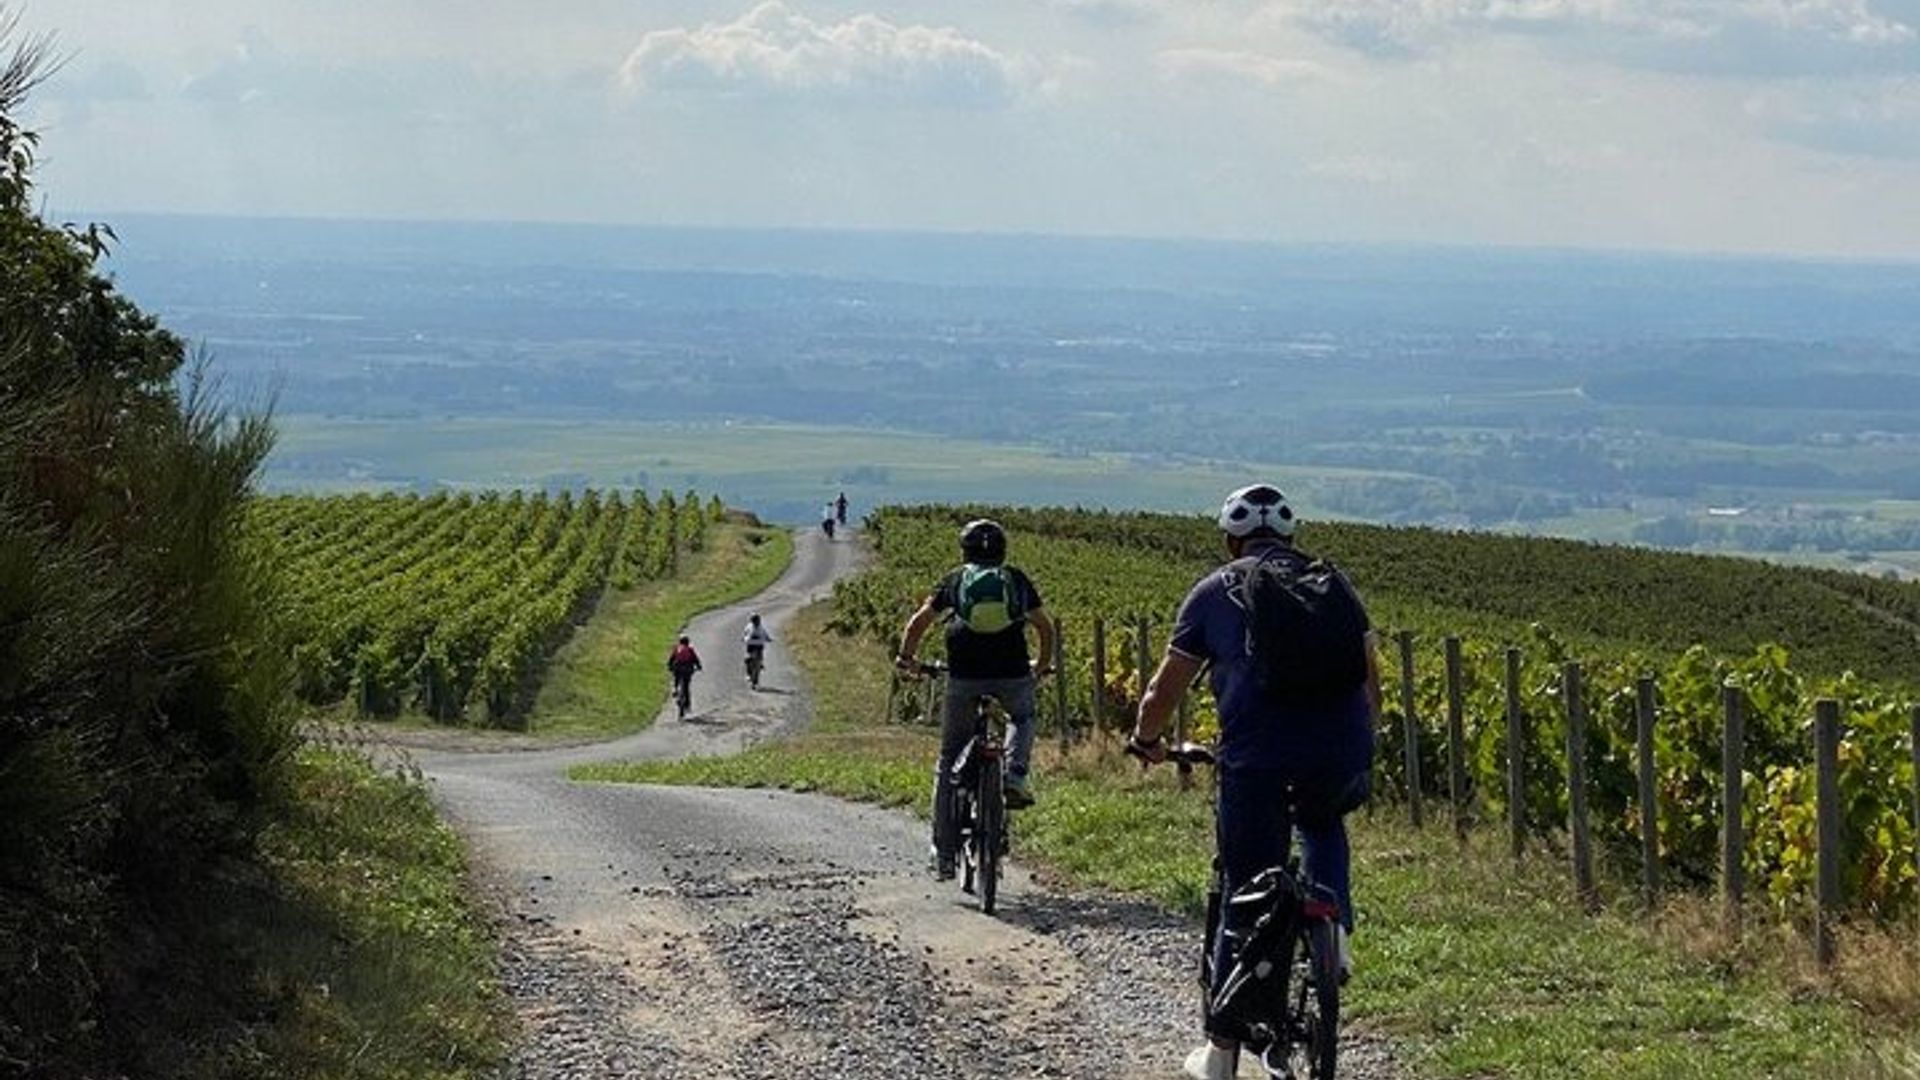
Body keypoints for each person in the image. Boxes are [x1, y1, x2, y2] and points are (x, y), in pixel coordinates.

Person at [1127, 484, 1381, 1080]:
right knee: (1323, 821)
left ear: (1230, 539)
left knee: (1245, 885)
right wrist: (1359, 742)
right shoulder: (1335, 587)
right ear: (1290, 537)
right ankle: (1334, 929)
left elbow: (1166, 689)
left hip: (1256, 761)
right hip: (1341, 753)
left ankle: (1220, 1054)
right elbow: (1370, 686)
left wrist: (1145, 739)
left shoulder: (1216, 591)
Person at [894, 518, 1056, 880]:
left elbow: (919, 623)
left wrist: (907, 659)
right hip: (1013, 671)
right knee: (1023, 718)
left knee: (950, 756)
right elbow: (1044, 626)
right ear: (1003, 551)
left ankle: (945, 852)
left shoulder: (955, 580)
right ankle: (1014, 775)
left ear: (964, 550)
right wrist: (1041, 667)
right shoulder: (1014, 579)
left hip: (963, 675)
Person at [667, 634, 702, 714]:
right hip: (687, 670)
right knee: (686, 687)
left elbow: (671, 659)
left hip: (677, 668)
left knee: (676, 679)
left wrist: (669, 666)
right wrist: (699, 667)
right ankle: (687, 705)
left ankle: (675, 689)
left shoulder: (677, 649)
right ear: (688, 642)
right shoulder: (690, 650)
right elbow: (695, 659)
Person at [742, 613, 772, 688]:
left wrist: (768, 638)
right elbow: (745, 633)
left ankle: (760, 664)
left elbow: (765, 634)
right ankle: (748, 674)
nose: (756, 623)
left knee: (759, 658)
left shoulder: (761, 628)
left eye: (757, 621)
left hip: (759, 645)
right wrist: (744, 638)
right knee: (747, 659)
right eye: (755, 621)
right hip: (751, 645)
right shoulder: (749, 627)